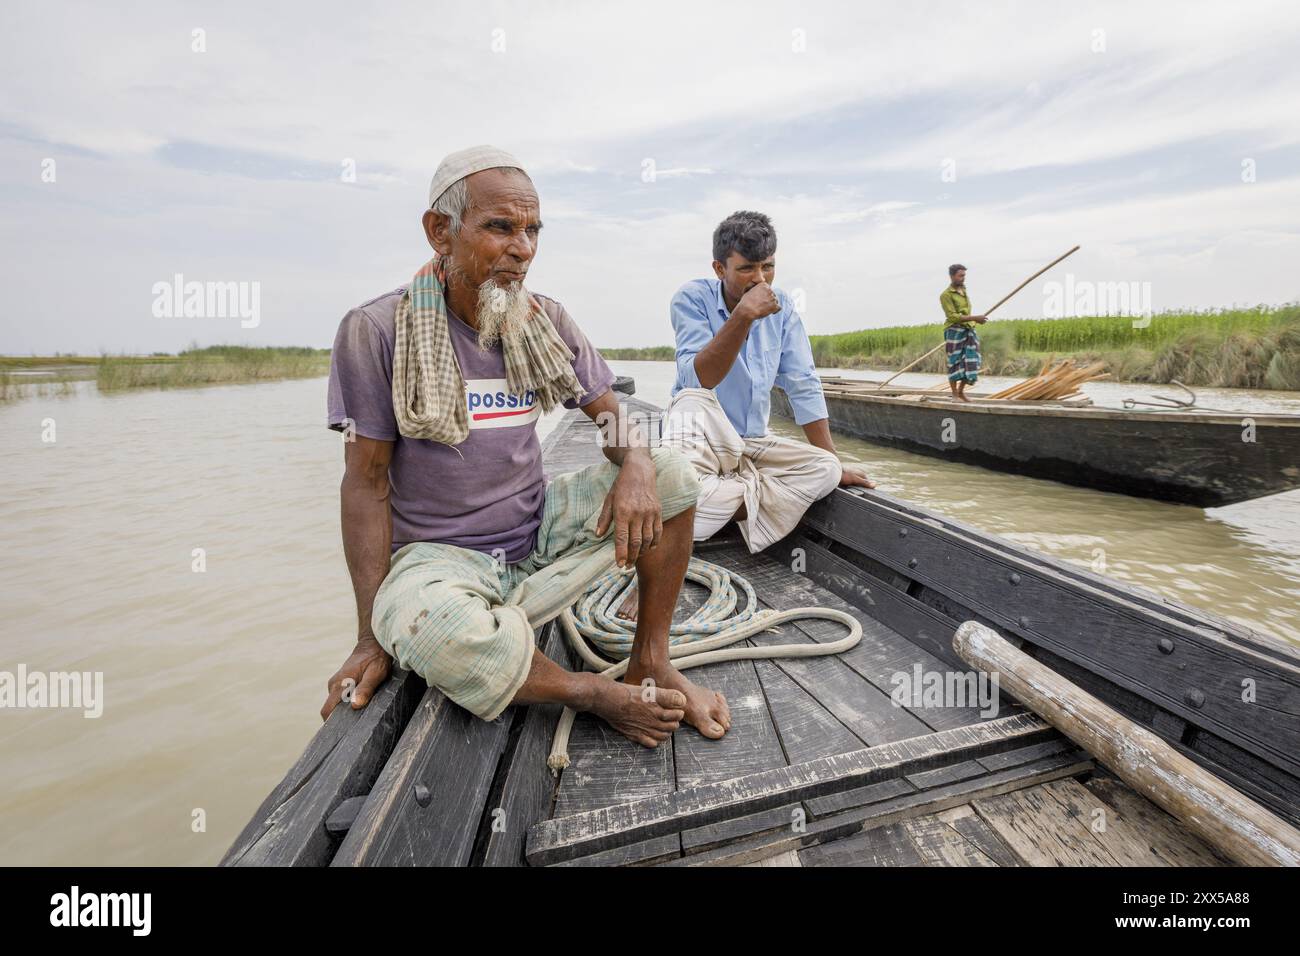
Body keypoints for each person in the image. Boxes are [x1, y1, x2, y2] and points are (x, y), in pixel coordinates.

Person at [318, 145, 731, 747]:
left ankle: (651, 658)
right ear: (441, 231)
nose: (523, 248)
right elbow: (366, 483)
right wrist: (366, 638)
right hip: (440, 558)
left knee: (673, 473)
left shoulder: (542, 318)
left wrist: (637, 462)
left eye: (533, 230)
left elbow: (612, 417)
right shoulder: (377, 330)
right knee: (433, 629)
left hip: (534, 530)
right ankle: (589, 693)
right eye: (500, 228)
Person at [940, 263, 987, 402]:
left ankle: (961, 392)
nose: (963, 278)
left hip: (968, 329)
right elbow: (952, 316)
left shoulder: (964, 290)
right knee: (954, 361)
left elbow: (966, 312)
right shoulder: (946, 295)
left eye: (964, 276)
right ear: (952, 276)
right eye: (960, 276)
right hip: (954, 330)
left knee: (972, 360)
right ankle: (954, 394)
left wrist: (974, 321)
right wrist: (975, 318)